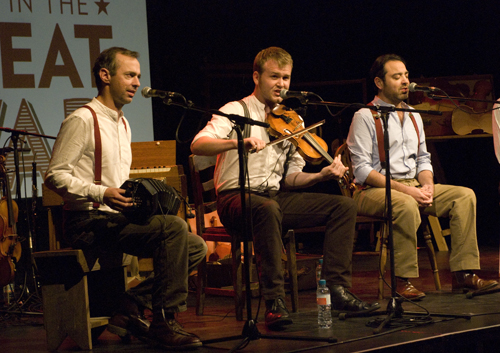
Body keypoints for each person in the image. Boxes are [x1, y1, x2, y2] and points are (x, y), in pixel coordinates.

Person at [190, 46, 380, 330]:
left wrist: (322, 175)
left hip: (275, 198)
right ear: (256, 77)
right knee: (267, 209)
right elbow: (198, 144)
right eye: (274, 77)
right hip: (235, 200)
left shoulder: (293, 122)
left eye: (286, 78)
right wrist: (237, 143)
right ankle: (274, 302)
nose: (281, 84)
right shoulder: (235, 111)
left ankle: (337, 291)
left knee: (344, 206)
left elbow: (292, 178)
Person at [44, 47, 206, 350]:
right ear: (105, 76)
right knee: (173, 228)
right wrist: (100, 192)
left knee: (196, 245)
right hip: (86, 221)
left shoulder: (122, 122)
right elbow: (54, 175)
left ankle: (129, 305)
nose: (136, 82)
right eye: (129, 75)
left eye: (138, 76)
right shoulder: (82, 119)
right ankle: (163, 321)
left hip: (114, 219)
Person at [347, 53, 498, 300]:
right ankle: (401, 281)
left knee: (464, 196)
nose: (405, 81)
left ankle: (464, 275)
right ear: (379, 83)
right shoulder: (365, 116)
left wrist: (427, 186)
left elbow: (422, 159)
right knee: (406, 204)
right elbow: (362, 170)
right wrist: (409, 191)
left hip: (413, 185)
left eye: (406, 75)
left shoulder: (414, 115)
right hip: (371, 191)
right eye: (396, 77)